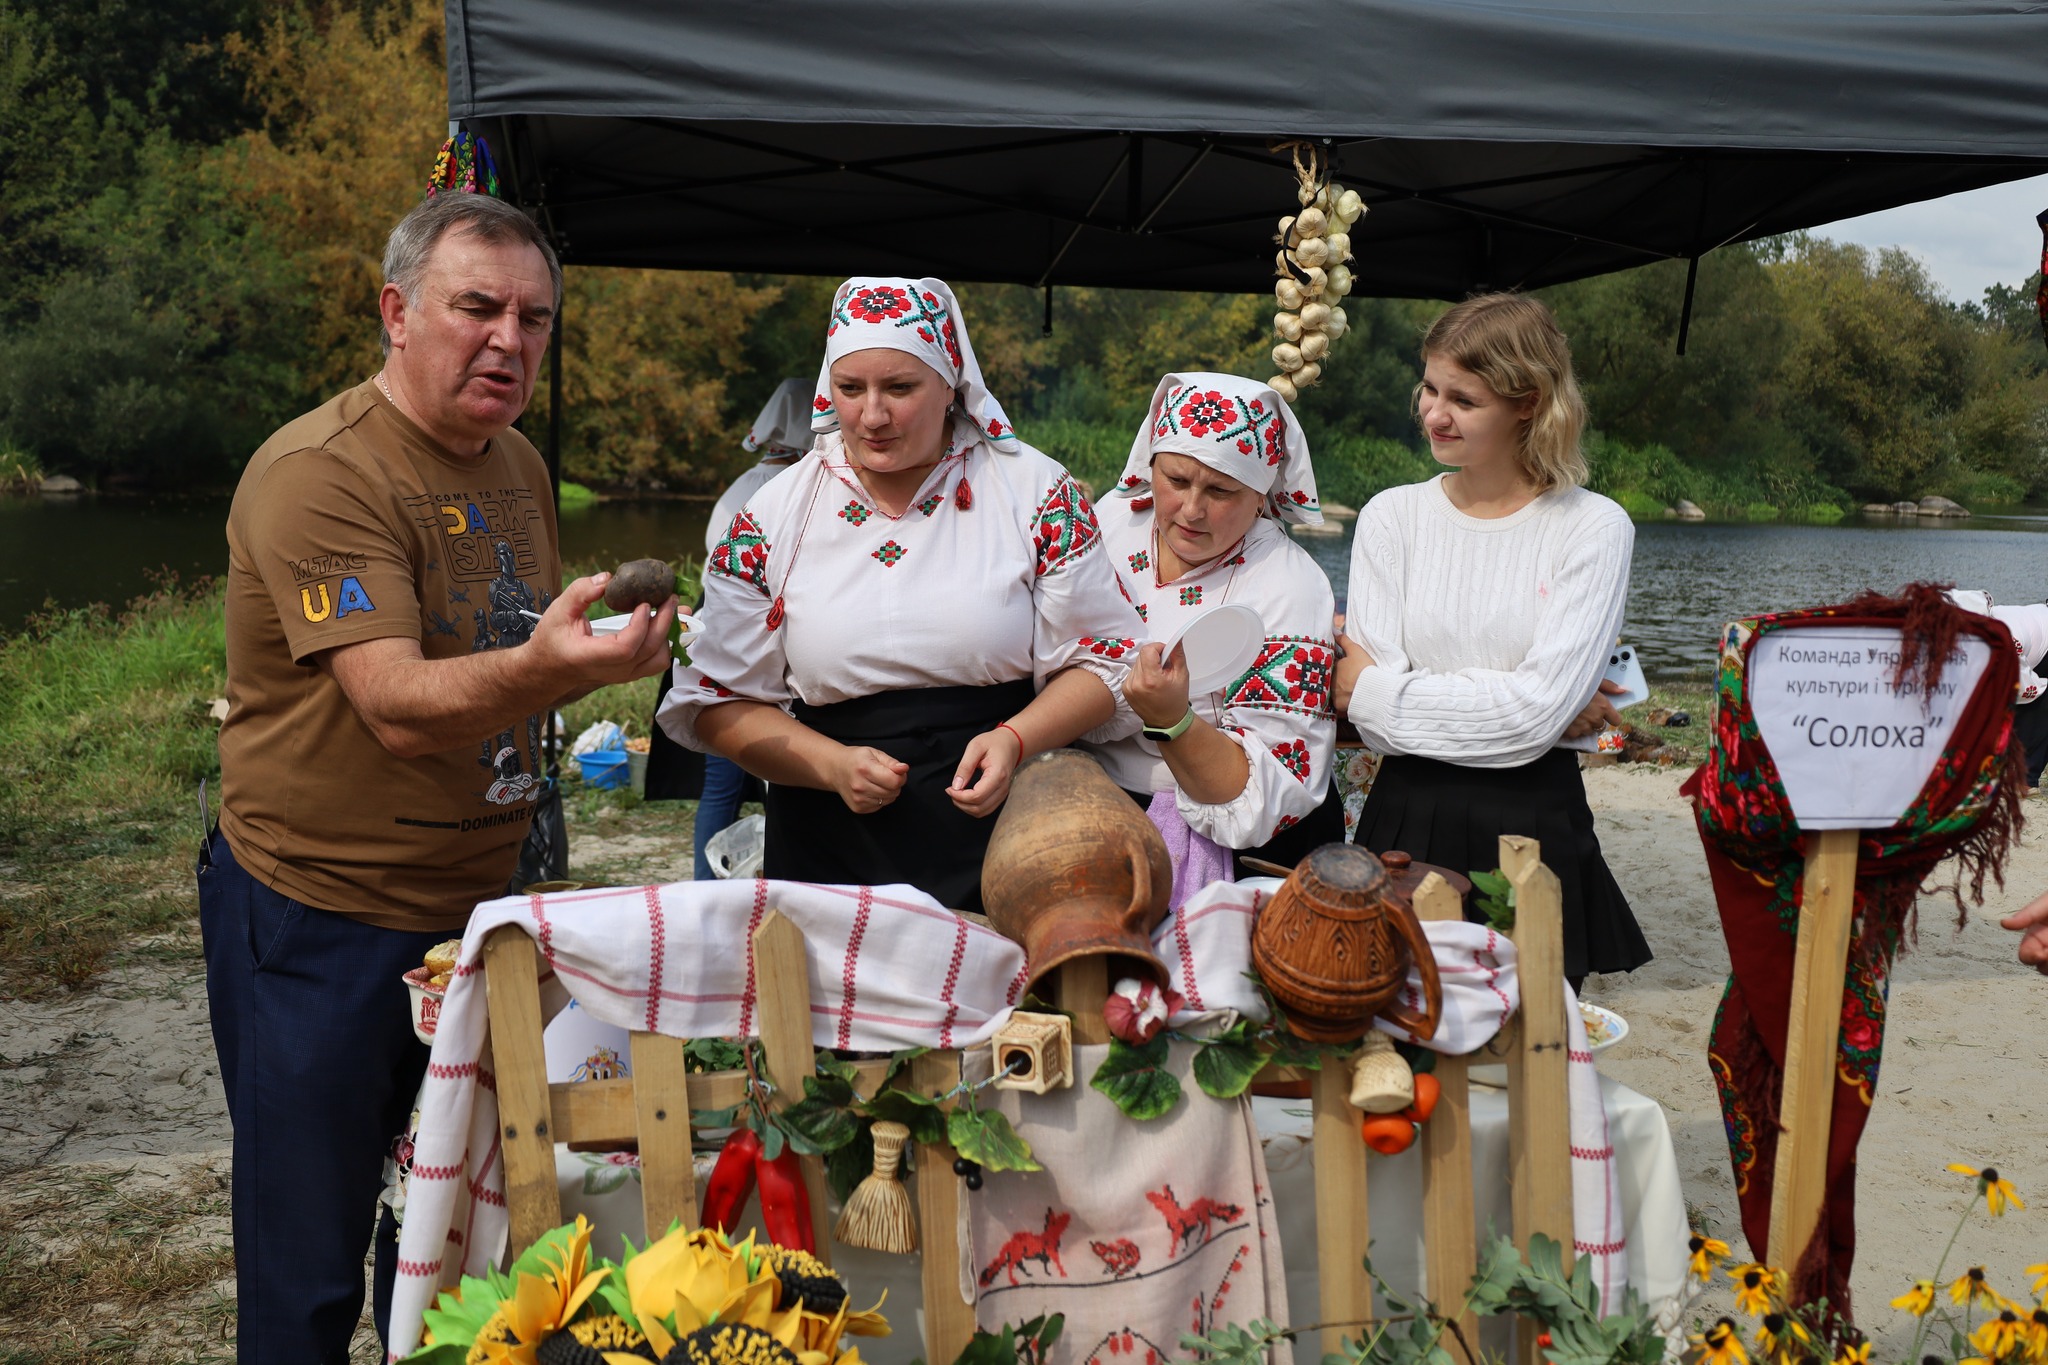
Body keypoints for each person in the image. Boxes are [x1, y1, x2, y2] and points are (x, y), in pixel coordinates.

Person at [206, 191, 677, 1364]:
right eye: (476, 308)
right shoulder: (318, 473)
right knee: (305, 1250)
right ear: (396, 312)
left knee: (459, 1226)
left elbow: (518, 657)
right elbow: (398, 708)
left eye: (534, 319)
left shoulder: (515, 463)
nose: (508, 342)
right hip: (319, 909)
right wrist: (555, 669)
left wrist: (577, 664)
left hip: (478, 910)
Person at [658, 277, 1142, 910]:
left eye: (900, 388)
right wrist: (830, 765)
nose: (872, 415)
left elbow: (1104, 657)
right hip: (827, 830)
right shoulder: (774, 514)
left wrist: (1017, 739)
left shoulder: (1034, 491)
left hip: (1012, 828)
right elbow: (714, 698)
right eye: (851, 389)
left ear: (951, 383)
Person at [1331, 292, 1650, 984]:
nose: (1433, 413)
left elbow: (1529, 719)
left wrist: (1385, 691)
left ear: (1529, 401)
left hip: (1532, 825)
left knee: (1532, 1061)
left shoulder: (1593, 529)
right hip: (1402, 817)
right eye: (1429, 387)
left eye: (1464, 400)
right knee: (1392, 1050)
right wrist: (1515, 698)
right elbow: (1375, 724)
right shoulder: (1392, 518)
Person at [1086, 372, 1341, 898]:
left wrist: (1172, 719)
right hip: (1094, 805)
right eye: (1176, 481)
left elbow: (1265, 796)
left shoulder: (1287, 585)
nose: (1192, 510)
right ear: (1151, 466)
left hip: (1244, 850)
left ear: (1261, 495)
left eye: (1222, 491)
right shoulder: (1112, 522)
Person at [682, 377, 809, 879]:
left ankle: (704, 890)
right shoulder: (796, 491)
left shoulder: (738, 489)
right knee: (785, 781)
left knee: (721, 785)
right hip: (770, 653)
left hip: (718, 649)